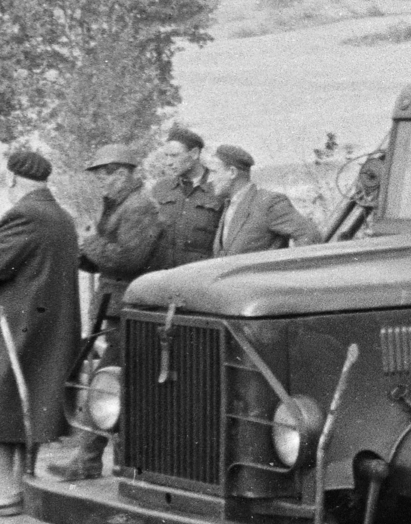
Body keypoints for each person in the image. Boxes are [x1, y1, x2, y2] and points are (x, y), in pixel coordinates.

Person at [48, 144, 161, 482]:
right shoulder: (118, 206)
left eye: (104, 176)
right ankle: (106, 460)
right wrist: (83, 249)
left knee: (107, 384)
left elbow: (128, 259)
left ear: (123, 173)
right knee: (114, 384)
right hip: (118, 309)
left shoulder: (139, 207)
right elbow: (103, 256)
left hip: (130, 309)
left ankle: (91, 459)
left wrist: (89, 243)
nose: (100, 183)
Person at [0, 150, 80, 517]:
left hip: (12, 328)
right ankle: (20, 486)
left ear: (11, 179)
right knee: (26, 404)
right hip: (43, 329)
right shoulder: (60, 216)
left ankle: (8, 492)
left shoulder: (24, 215)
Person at [212, 145, 319, 254]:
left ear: (232, 172)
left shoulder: (268, 203)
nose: (212, 179)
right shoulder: (229, 205)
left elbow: (309, 235)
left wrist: (291, 267)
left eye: (214, 172)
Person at [149, 125, 225, 268]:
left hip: (200, 276)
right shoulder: (161, 189)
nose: (168, 162)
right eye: (166, 156)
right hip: (163, 276)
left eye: (174, 156)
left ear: (194, 154)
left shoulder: (218, 188)